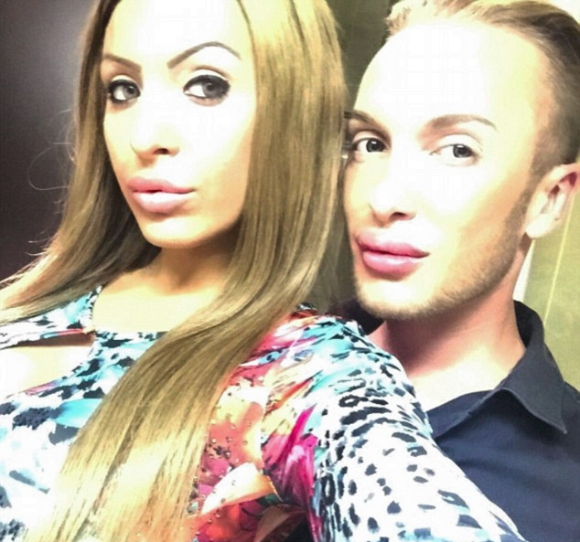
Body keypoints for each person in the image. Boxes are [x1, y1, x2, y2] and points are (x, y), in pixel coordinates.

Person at [0, 0, 535, 541]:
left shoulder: (306, 375)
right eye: (123, 89)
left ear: (292, 113)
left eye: (206, 86)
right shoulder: (43, 298)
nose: (145, 135)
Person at [334, 1, 580, 541]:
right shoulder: (272, 362)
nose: (385, 197)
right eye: (370, 143)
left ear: (549, 199)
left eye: (457, 150)